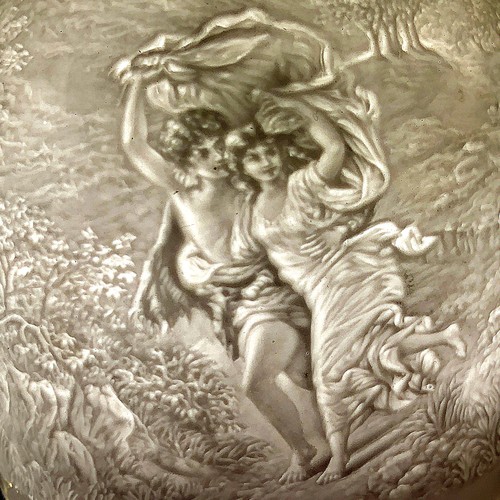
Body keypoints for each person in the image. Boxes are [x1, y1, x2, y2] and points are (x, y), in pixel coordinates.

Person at [226, 91, 466, 484]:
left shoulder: (302, 183)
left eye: (268, 152)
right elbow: (245, 258)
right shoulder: (250, 212)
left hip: (344, 273)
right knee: (368, 346)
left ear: (279, 152)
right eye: (253, 157)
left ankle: (339, 456)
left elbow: (334, 146)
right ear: (242, 167)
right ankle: (445, 336)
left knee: (330, 370)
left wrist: (298, 107)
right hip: (317, 289)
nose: (265, 161)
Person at [117, 72, 325, 483]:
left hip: (276, 291)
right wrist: (138, 82)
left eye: (217, 147)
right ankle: (314, 448)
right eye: (202, 152)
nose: (215, 157)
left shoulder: (245, 182)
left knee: (276, 380)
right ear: (185, 160)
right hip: (239, 306)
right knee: (299, 375)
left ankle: (310, 451)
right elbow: (134, 144)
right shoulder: (182, 192)